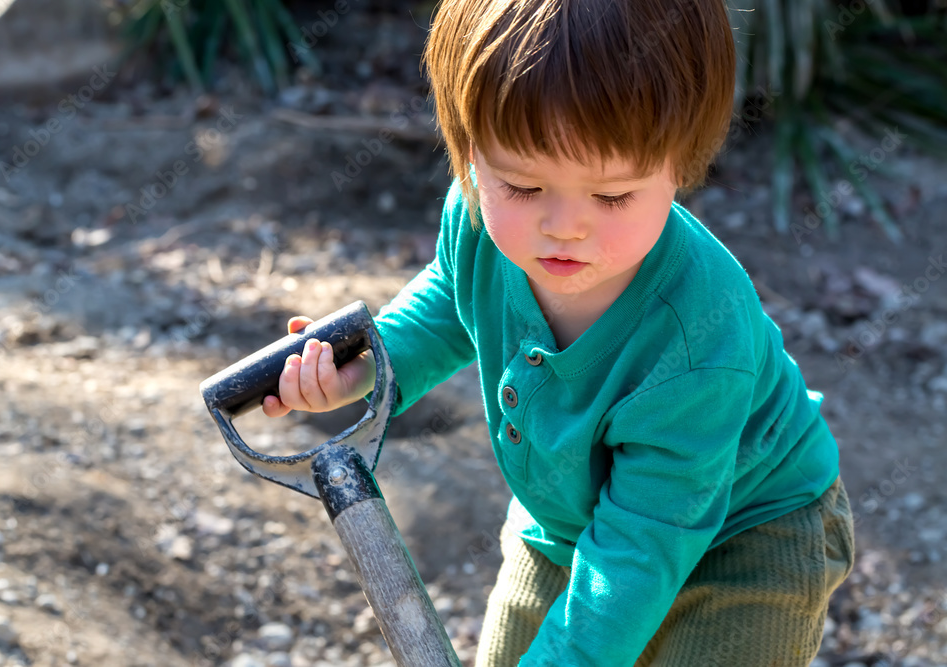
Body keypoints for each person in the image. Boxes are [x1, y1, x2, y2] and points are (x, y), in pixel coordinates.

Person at [262, 0, 856, 664]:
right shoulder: (480, 224)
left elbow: (640, 546)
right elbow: (451, 303)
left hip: (748, 538)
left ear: (679, 165)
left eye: (611, 197)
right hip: (570, 522)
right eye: (521, 184)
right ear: (469, 152)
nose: (565, 226)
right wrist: (368, 366)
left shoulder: (696, 342)